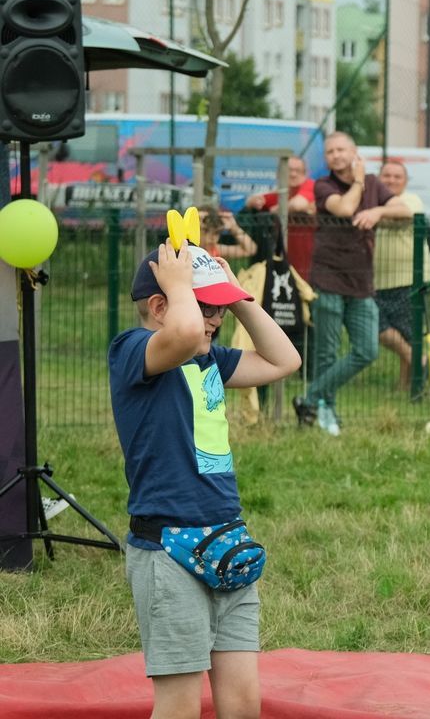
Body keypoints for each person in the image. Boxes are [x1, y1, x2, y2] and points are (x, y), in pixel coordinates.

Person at [109, 234, 301, 719]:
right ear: (160, 306)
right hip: (168, 549)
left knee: (242, 703)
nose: (214, 320)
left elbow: (285, 360)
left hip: (226, 536)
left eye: (218, 311)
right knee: (179, 707)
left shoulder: (210, 358)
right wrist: (178, 287)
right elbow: (185, 333)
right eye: (206, 308)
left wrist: (237, 298)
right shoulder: (134, 351)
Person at [293, 132, 412, 434]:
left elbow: (406, 211)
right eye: (330, 151)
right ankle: (325, 411)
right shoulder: (324, 186)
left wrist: (378, 210)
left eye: (341, 149)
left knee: (367, 350)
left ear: (354, 152)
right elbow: (345, 209)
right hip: (328, 277)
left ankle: (308, 398)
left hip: (361, 282)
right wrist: (358, 182)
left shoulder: (374, 184)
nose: (335, 155)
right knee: (327, 352)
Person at [373, 160, 430, 391]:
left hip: (409, 278)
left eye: (397, 177)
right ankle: (419, 362)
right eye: (387, 176)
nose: (391, 180)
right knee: (378, 328)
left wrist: (376, 213)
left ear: (405, 182)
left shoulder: (411, 199)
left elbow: (406, 215)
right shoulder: (376, 203)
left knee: (408, 333)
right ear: (379, 179)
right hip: (378, 280)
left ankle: (407, 387)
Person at [244, 155, 317, 215]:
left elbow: (297, 205)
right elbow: (255, 201)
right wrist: (251, 202)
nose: (293, 174)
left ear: (305, 174)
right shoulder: (278, 193)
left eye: (298, 171)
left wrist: (275, 210)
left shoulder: (311, 185)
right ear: (278, 174)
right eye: (289, 170)